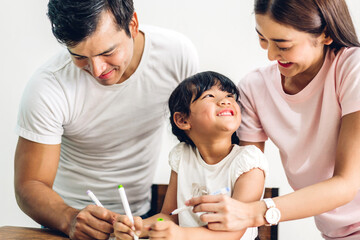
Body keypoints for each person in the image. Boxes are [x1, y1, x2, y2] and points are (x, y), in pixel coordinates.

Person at [14, 0, 198, 239]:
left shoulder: (176, 55)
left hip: (143, 217)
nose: (97, 69)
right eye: (79, 56)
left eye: (107, 52)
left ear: (132, 24)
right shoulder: (48, 87)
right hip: (68, 221)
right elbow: (29, 184)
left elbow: (197, 141)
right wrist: (68, 218)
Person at [186, 0, 360, 239]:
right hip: (334, 233)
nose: (269, 55)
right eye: (262, 39)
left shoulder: (353, 68)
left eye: (283, 45)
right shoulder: (254, 88)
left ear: (326, 33)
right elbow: (245, 185)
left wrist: (256, 212)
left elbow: (346, 185)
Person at [113, 71, 269, 240]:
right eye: (209, 95)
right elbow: (168, 216)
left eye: (230, 95)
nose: (225, 100)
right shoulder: (182, 156)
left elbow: (232, 232)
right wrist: (138, 227)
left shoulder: (249, 161)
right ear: (182, 120)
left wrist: (180, 234)